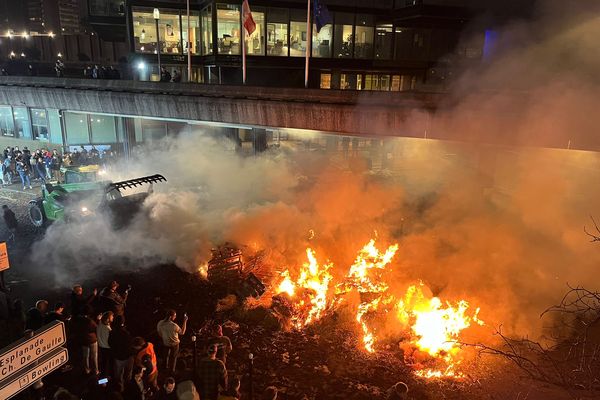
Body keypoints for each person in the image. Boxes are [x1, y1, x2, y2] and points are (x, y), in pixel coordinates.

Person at [157, 309, 188, 373]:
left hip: (166, 343)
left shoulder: (160, 323)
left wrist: (165, 337)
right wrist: (185, 321)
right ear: (171, 316)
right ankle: (172, 371)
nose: (175, 317)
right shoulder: (174, 325)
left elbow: (159, 332)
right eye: (175, 316)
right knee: (173, 357)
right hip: (175, 344)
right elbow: (182, 332)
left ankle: (165, 369)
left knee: (166, 357)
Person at [108, 315, 134, 392]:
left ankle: (121, 388)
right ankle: (128, 388)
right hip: (128, 357)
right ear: (123, 322)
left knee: (118, 375)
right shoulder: (127, 332)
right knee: (128, 374)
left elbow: (110, 343)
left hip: (118, 358)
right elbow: (131, 344)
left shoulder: (112, 332)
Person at [71, 305, 99, 375]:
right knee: (94, 356)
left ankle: (86, 370)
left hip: (83, 340)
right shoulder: (90, 321)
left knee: (85, 356)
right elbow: (96, 328)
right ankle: (95, 371)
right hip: (91, 340)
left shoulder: (78, 319)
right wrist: (98, 319)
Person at [97, 311, 114, 377]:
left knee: (103, 364)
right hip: (107, 348)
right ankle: (105, 381)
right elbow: (110, 340)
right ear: (107, 318)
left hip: (101, 347)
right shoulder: (108, 329)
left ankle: (102, 382)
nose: (113, 317)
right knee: (107, 365)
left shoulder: (100, 324)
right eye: (111, 316)